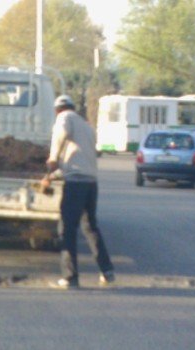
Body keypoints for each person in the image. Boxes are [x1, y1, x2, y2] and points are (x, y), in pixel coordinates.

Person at [41, 95, 115, 289]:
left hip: (75, 185)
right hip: (91, 183)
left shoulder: (64, 118)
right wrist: (53, 176)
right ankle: (107, 271)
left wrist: (52, 158)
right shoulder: (86, 127)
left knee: (66, 229)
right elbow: (77, 161)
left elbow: (61, 134)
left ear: (58, 110)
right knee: (91, 228)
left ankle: (70, 277)